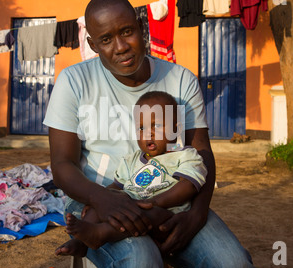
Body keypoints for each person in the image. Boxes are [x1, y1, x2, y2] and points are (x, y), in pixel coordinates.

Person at [43, 0, 258, 268]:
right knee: (141, 266)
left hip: (172, 198)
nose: (120, 47)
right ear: (93, 45)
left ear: (142, 28)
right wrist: (102, 199)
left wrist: (197, 214)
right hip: (97, 197)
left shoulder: (180, 80)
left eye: (127, 32)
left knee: (236, 267)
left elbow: (201, 151)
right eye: (106, 40)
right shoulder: (74, 82)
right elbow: (61, 164)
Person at [59, 91, 208, 256]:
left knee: (152, 214)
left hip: (166, 215)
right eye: (141, 128)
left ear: (176, 129)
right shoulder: (131, 160)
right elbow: (117, 185)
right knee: (102, 207)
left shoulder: (185, 155)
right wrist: (101, 199)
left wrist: (155, 202)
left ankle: (102, 234)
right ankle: (81, 242)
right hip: (130, 208)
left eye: (156, 126)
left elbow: (189, 185)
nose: (148, 133)